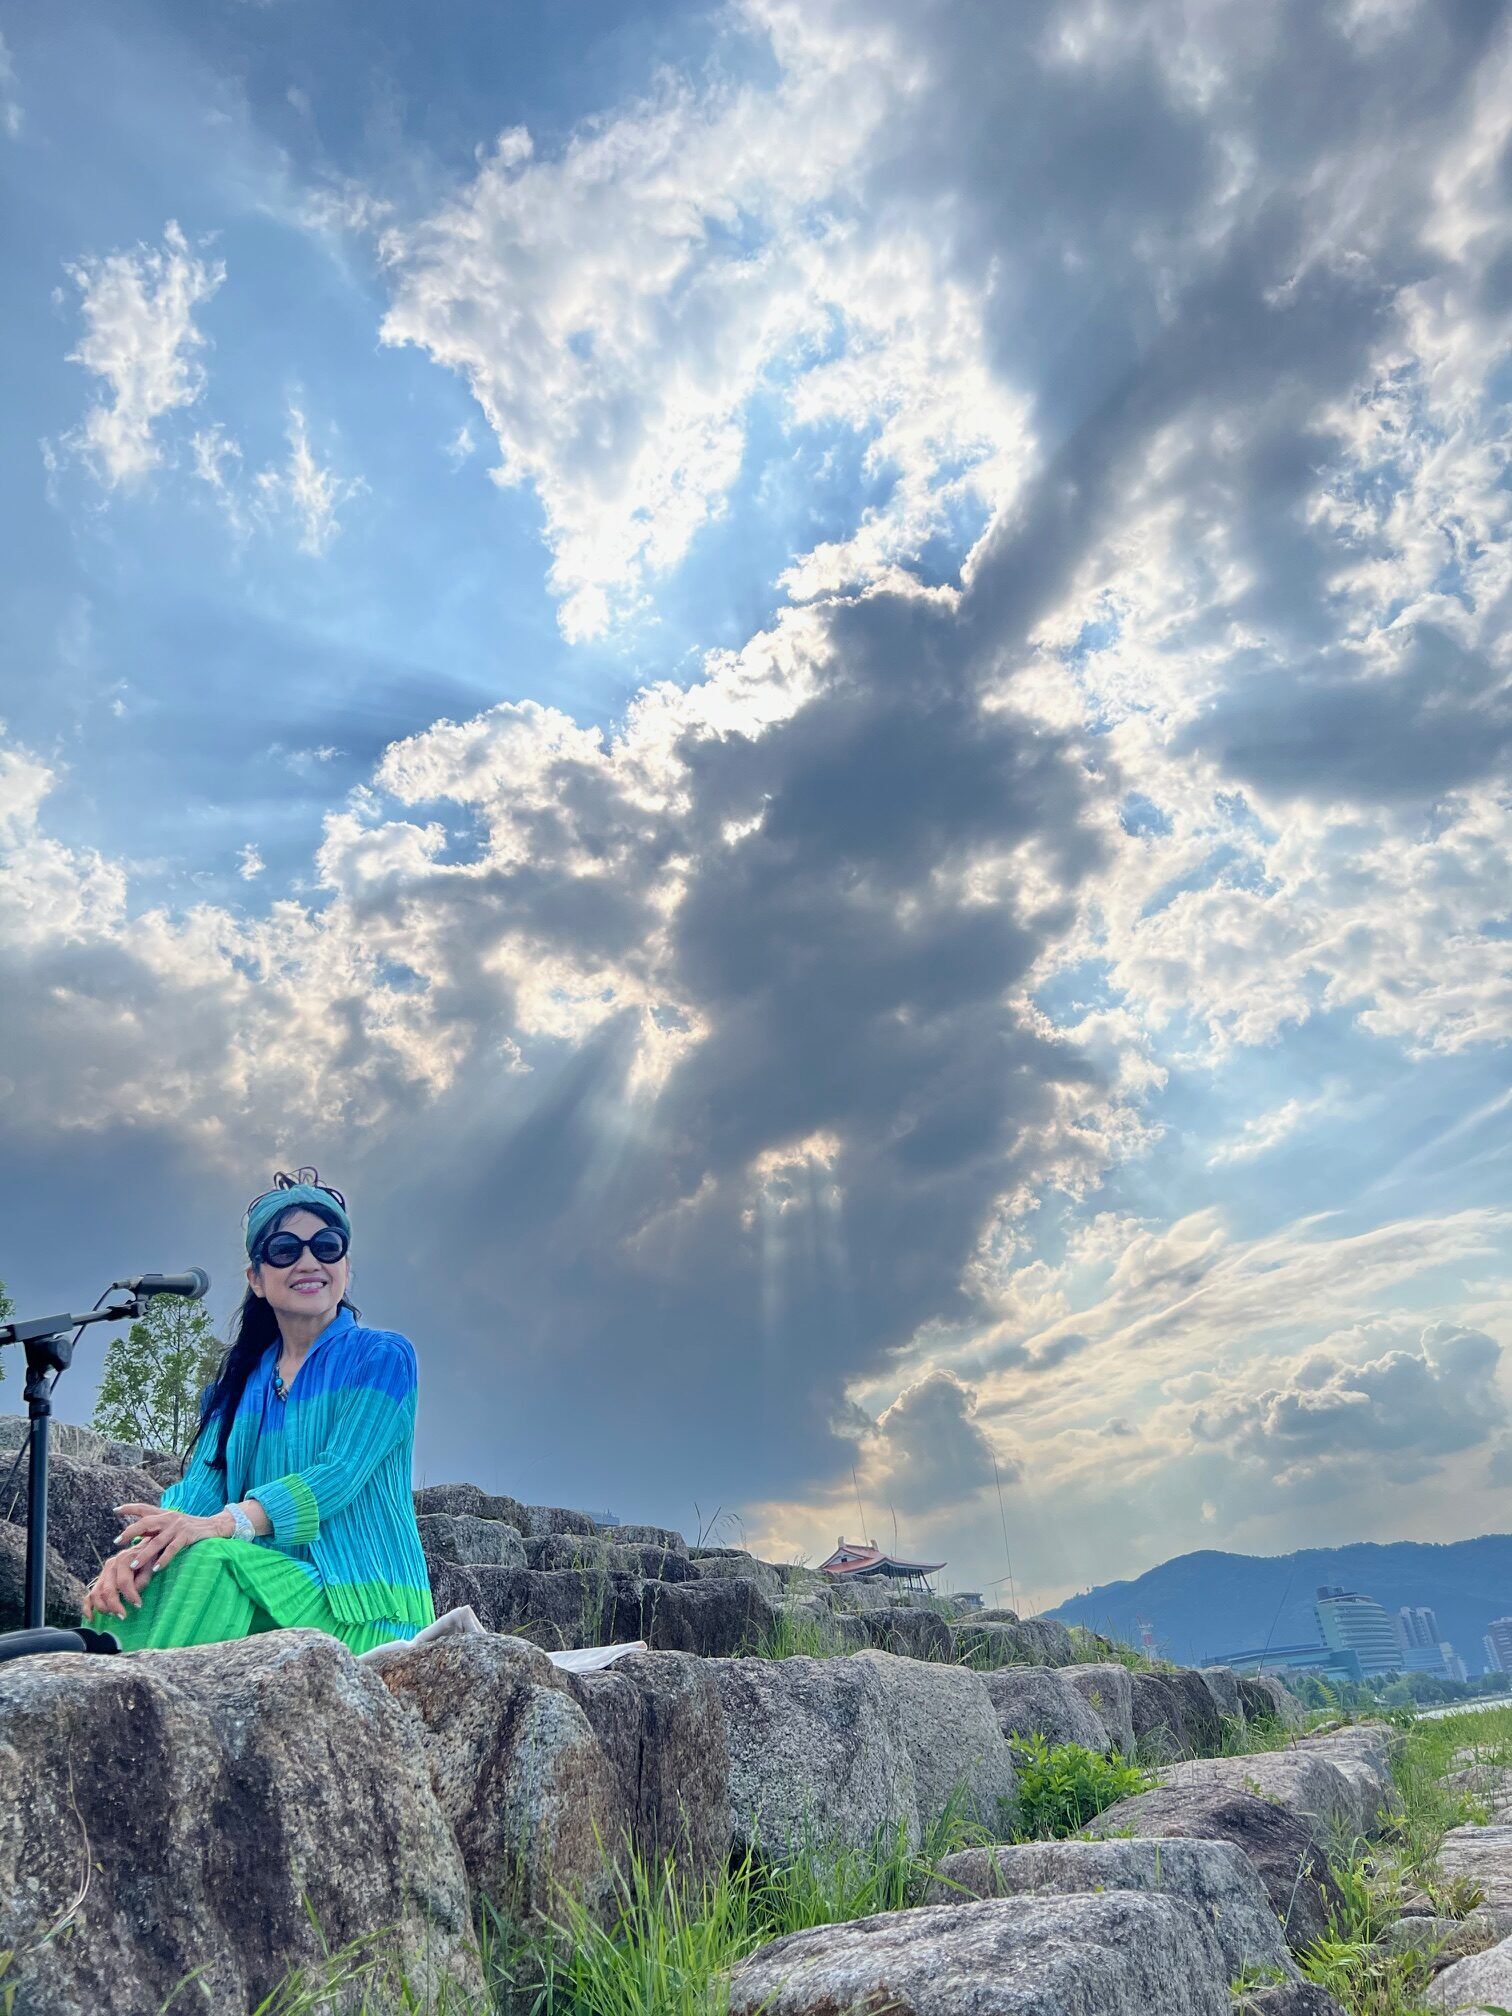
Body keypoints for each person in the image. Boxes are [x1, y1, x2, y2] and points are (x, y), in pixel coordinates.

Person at [81, 1169, 440, 1655]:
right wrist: (139, 1553)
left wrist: (224, 1524)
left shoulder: (382, 1358)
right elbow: (199, 1493)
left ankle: (141, 1697)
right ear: (256, 1278)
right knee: (133, 1583)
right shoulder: (235, 1388)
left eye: (326, 1246)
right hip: (265, 1586)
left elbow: (338, 1475)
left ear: (345, 1266)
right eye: (285, 1250)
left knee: (210, 1559)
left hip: (364, 1602)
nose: (309, 1261)